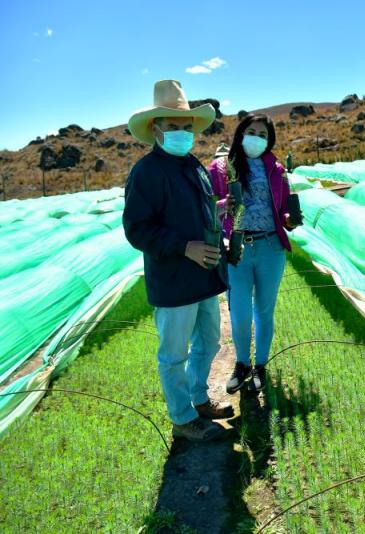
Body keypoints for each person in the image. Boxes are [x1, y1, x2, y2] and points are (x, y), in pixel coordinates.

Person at [123, 80, 233, 442]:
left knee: (209, 343)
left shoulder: (194, 167)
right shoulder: (146, 173)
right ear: (156, 129)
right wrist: (185, 247)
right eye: (173, 126)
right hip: (174, 282)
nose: (182, 132)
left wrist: (219, 213)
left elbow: (195, 213)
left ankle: (199, 399)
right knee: (174, 354)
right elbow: (137, 229)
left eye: (187, 126)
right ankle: (183, 419)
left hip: (204, 277)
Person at [207, 113, 297, 394]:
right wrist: (224, 204)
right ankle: (242, 363)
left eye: (263, 134)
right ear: (240, 134)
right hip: (238, 249)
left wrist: (289, 218)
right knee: (240, 313)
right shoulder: (221, 168)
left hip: (270, 247)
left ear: (269, 140)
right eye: (252, 131)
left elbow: (282, 208)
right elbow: (206, 207)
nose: (256, 138)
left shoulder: (277, 169)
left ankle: (261, 366)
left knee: (264, 311)